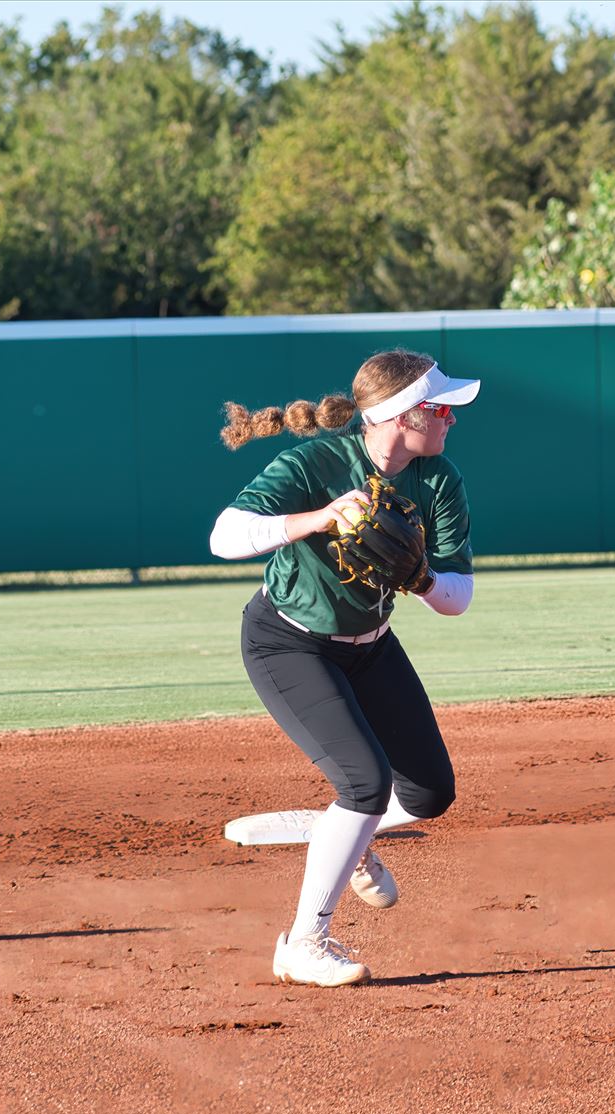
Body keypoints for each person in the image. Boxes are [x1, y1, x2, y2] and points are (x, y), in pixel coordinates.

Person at [209, 349, 479, 986]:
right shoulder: (314, 463)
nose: (452, 419)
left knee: (430, 795)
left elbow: (458, 599)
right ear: (401, 417)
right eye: (441, 408)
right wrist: (321, 518)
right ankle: (304, 942)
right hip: (288, 642)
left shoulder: (438, 478)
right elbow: (224, 536)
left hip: (371, 644)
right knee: (364, 784)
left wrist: (421, 578)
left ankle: (340, 829)